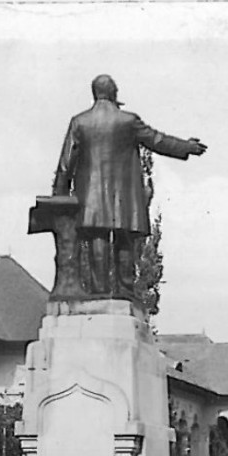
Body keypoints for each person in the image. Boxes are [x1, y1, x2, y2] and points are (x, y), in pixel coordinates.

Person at [53, 75, 208, 299]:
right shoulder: (128, 121)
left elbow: (66, 162)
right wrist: (187, 146)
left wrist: (59, 195)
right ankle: (125, 291)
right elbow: (157, 140)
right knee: (124, 237)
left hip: (91, 196)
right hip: (123, 197)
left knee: (98, 238)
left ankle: (99, 290)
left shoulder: (79, 122)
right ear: (114, 93)